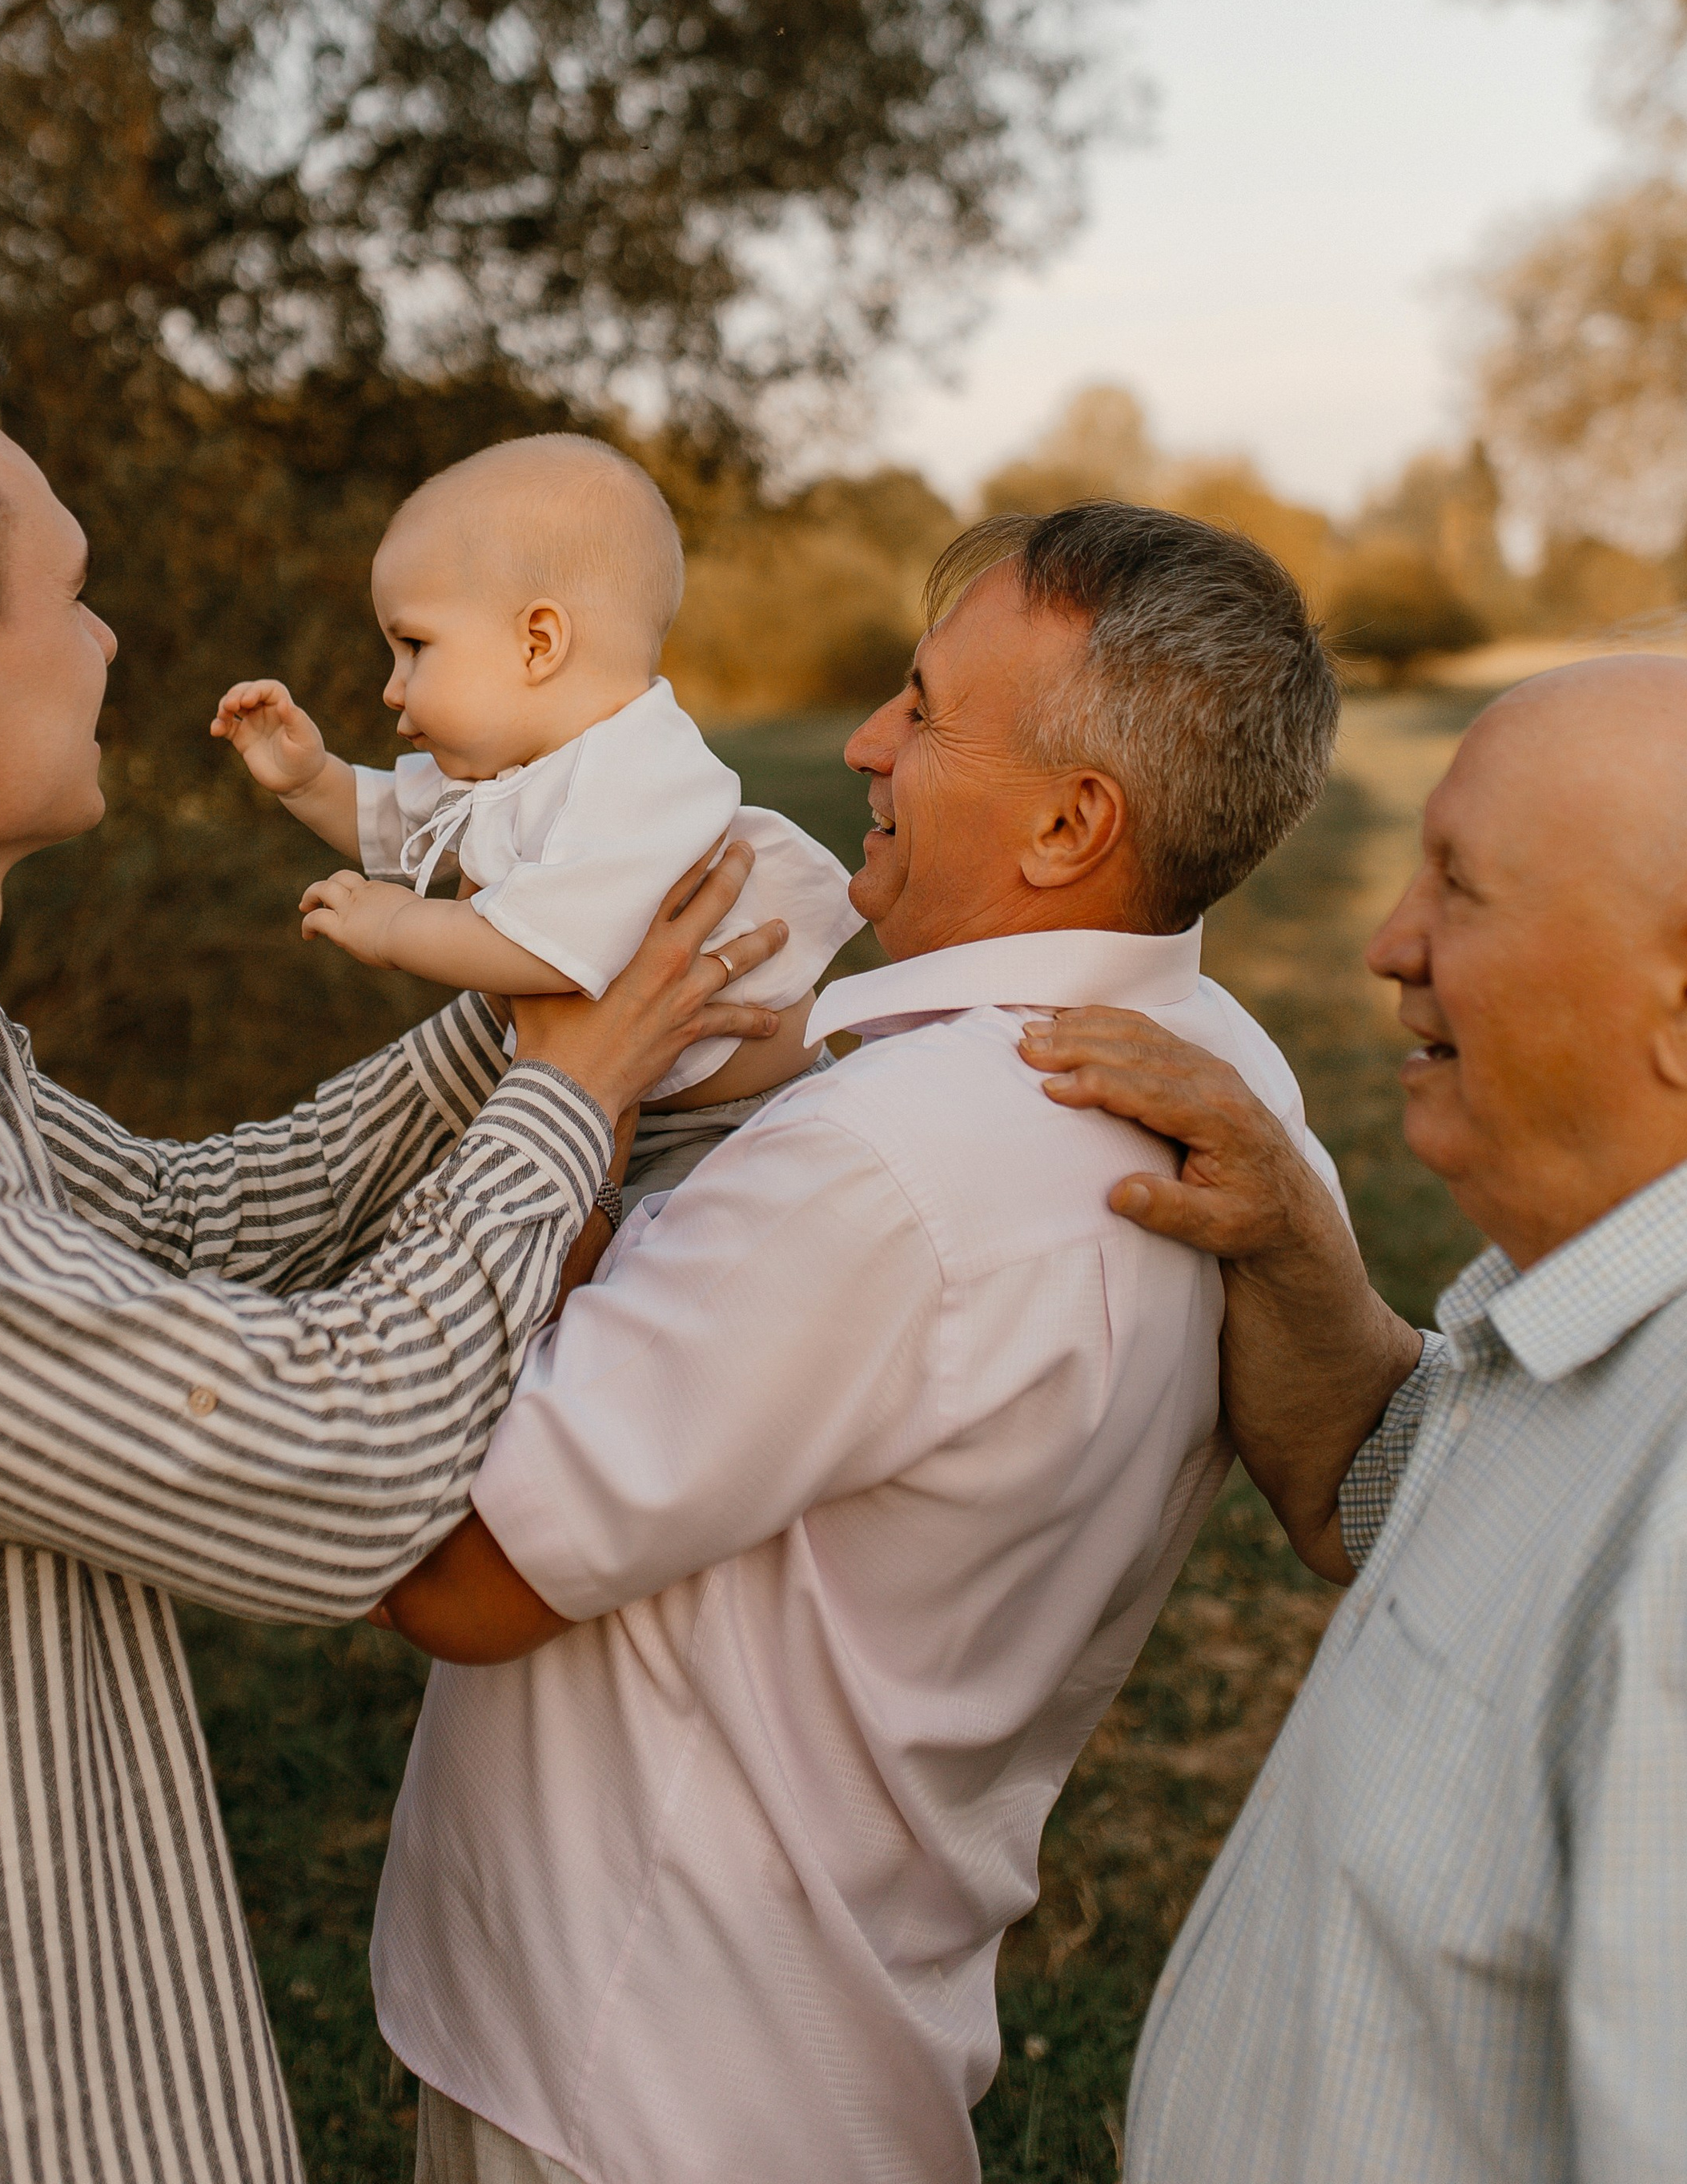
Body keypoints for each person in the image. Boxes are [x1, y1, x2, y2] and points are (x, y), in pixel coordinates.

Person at [0, 347, 788, 2184]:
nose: (108, 644)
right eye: (76, 592)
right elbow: (330, 1460)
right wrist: (569, 1082)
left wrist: (549, 992)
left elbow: (192, 1226)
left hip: (61, 2054)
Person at [364, 501, 1347, 2184]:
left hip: (628, 2069)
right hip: (841, 2012)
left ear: (1065, 824)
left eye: (917, 704)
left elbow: (454, 1576)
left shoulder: (883, 1165)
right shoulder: (1234, 1084)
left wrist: (569, 1101)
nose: (860, 742)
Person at [1022, 654, 1687, 2183]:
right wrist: (1290, 1246)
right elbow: (1398, 1504)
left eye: (1459, 892)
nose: (1389, 946)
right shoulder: (1655, 1282)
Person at [213, 433, 859, 1111]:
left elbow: (547, 950)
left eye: (413, 647)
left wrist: (395, 926)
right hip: (651, 1113)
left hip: (743, 1121)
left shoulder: (639, 772)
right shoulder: (512, 769)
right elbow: (392, 829)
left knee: (655, 1223)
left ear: (537, 644)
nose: (392, 690)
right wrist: (311, 780)